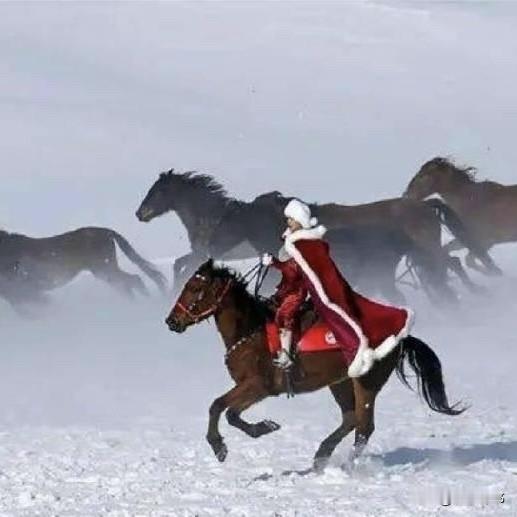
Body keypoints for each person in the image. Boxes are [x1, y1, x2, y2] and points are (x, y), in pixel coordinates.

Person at [261, 198, 413, 377]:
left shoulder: (303, 244)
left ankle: (288, 355)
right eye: (288, 219)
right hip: (303, 288)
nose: (288, 222)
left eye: (291, 219)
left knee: (285, 315)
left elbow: (294, 269)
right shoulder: (296, 240)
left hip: (307, 290)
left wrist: (274, 263)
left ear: (299, 221)